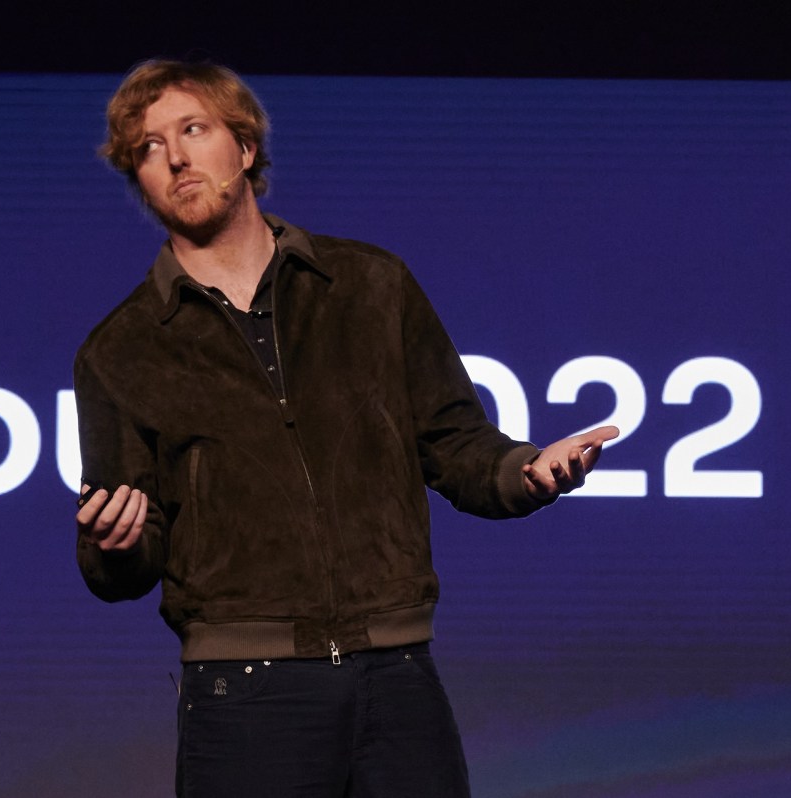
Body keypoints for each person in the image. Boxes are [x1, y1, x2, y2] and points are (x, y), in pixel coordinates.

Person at [74, 59, 617, 798]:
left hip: (396, 679)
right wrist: (116, 544)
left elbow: (455, 442)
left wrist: (524, 471)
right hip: (245, 695)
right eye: (146, 147)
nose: (173, 156)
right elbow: (130, 551)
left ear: (245, 147)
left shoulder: (369, 286)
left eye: (193, 129)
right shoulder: (123, 348)